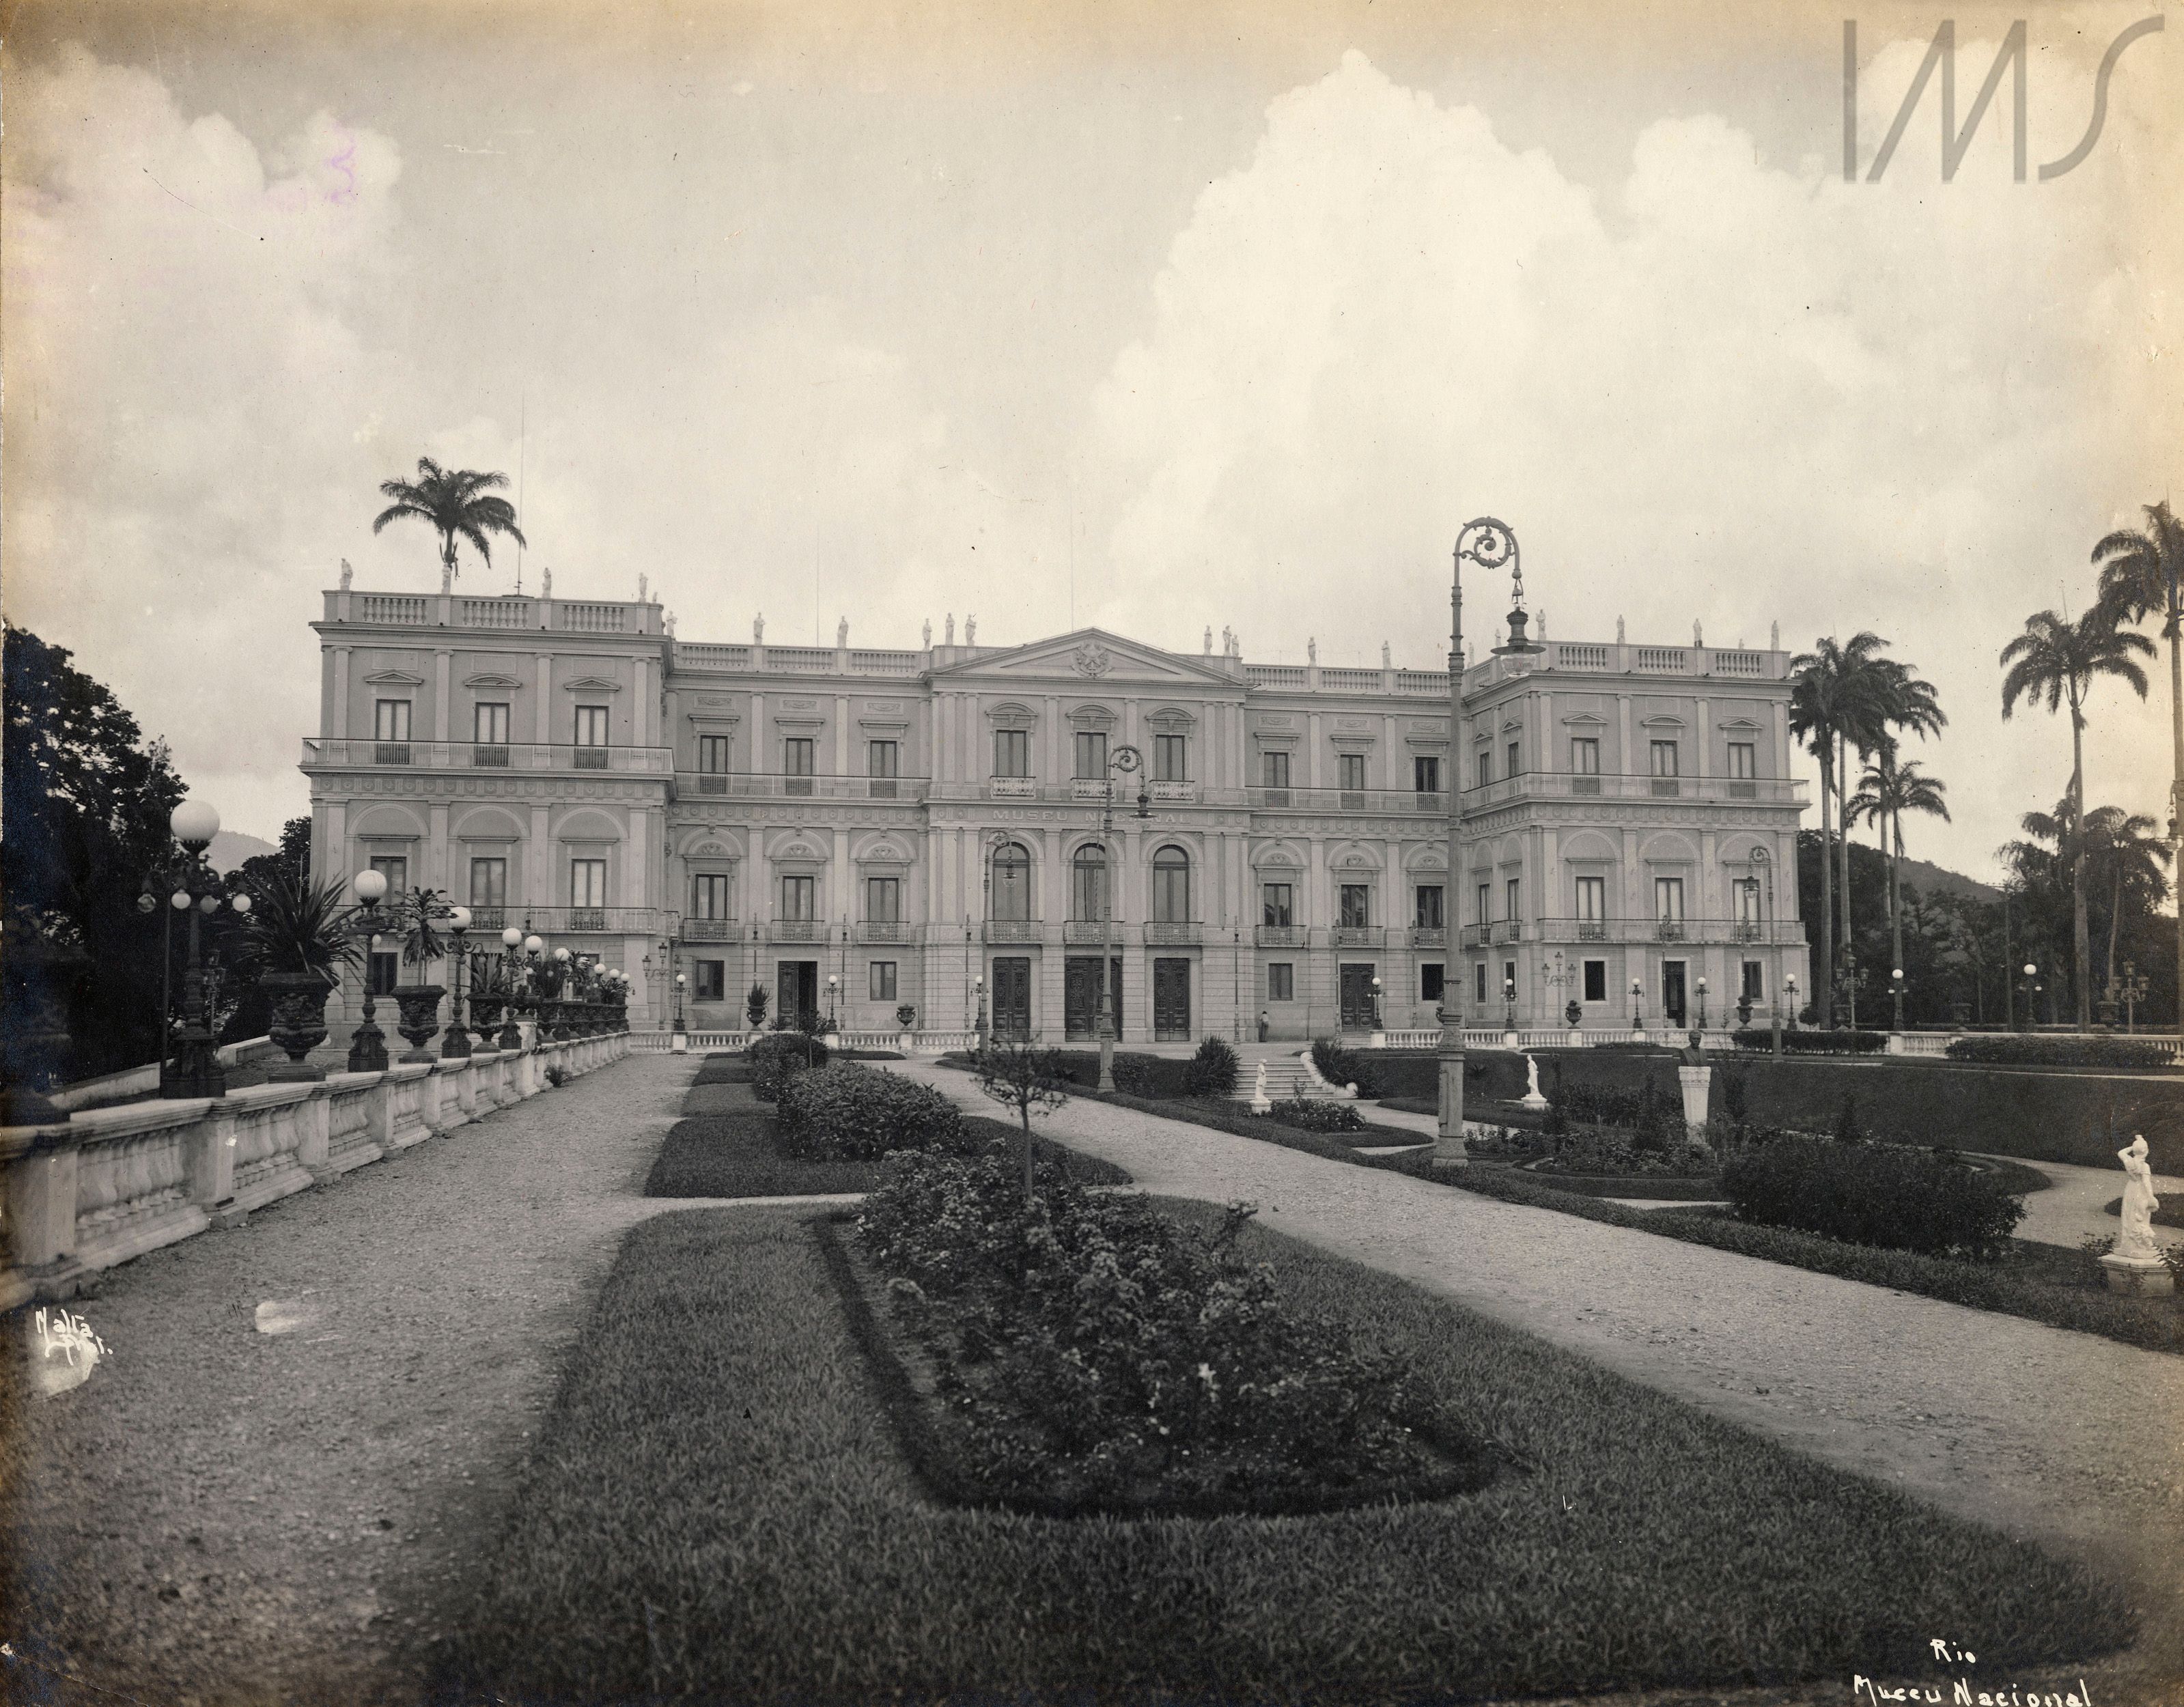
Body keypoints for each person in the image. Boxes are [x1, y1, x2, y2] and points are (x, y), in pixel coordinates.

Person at [2117, 1133, 2161, 1258]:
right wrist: (2151, 1197)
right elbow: (2146, 1183)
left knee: (2129, 1216)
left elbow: (2121, 1153)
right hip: (2140, 1192)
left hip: (2130, 1189)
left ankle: (2128, 1244)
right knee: (2142, 1218)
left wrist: (2134, 1147)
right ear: (2146, 1151)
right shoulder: (2144, 1166)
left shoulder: (2129, 1161)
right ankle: (2140, 1244)